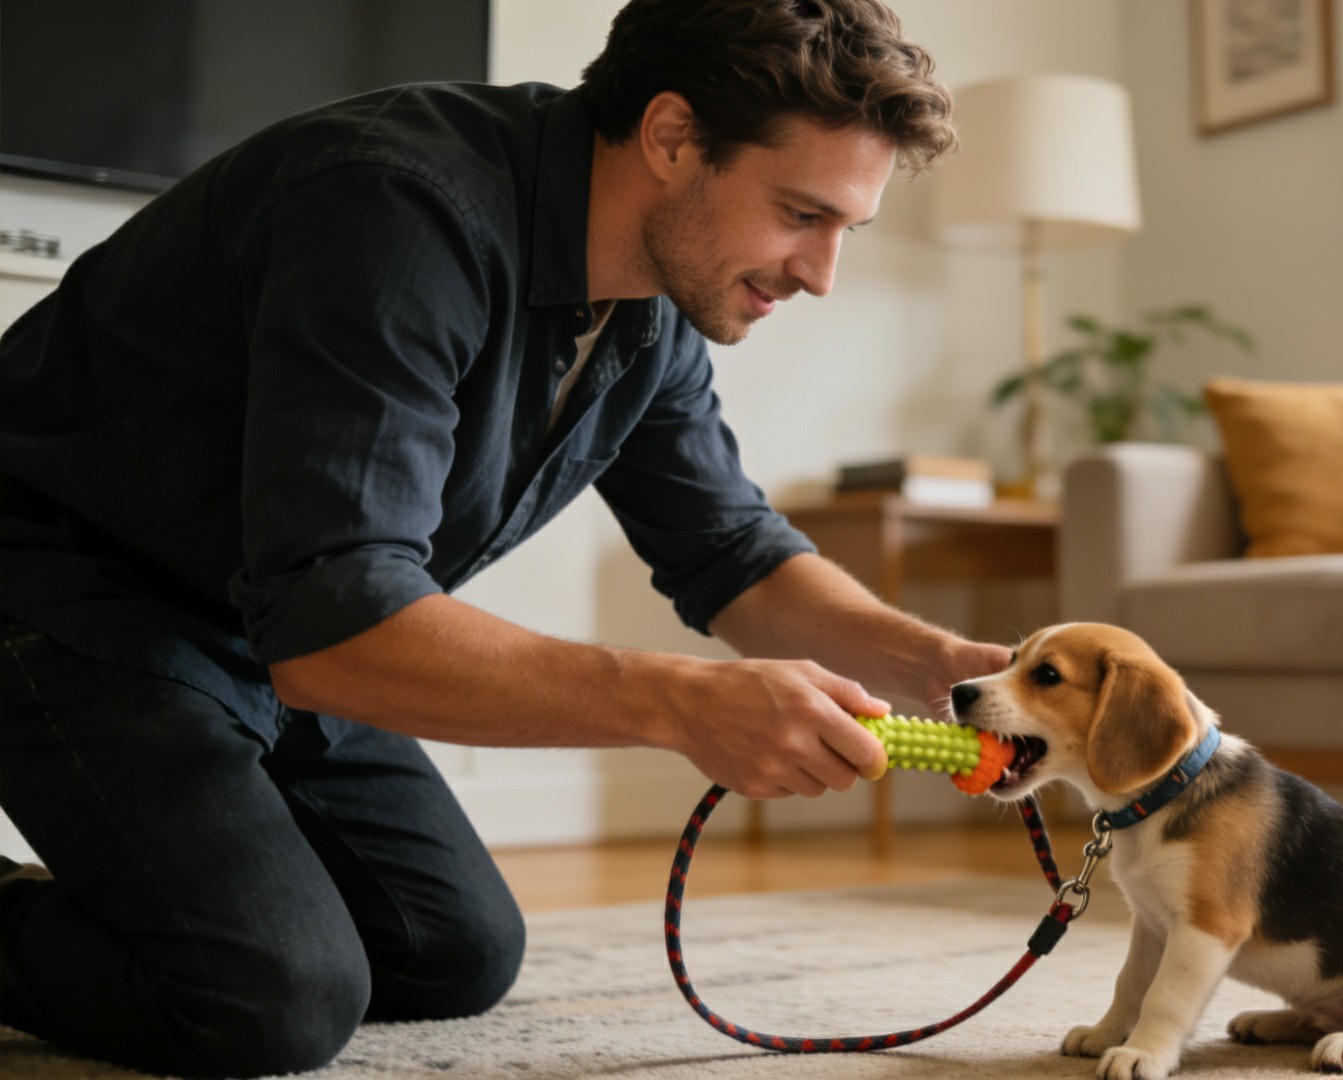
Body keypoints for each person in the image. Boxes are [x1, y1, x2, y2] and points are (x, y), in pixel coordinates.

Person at [0, 2, 995, 1075]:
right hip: (64, 593)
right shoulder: (393, 206)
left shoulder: (654, 302)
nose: (821, 273)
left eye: (848, 229)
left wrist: (949, 672)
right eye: (802, 213)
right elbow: (336, 623)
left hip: (256, 617)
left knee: (453, 949)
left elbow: (731, 552)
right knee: (265, 997)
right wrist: (679, 703)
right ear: (671, 138)